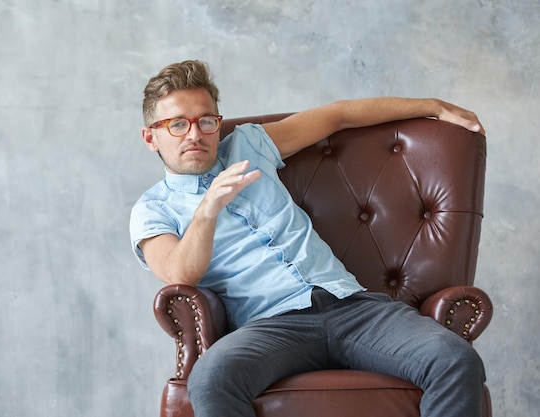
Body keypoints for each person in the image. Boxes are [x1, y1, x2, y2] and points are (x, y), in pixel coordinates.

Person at [129, 60, 486, 417]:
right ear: (151, 137)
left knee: (455, 360)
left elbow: (338, 116)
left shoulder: (250, 145)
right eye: (177, 124)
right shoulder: (153, 209)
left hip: (353, 307)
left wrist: (435, 107)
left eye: (206, 121)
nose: (195, 134)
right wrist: (207, 210)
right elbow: (180, 274)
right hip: (270, 327)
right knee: (211, 378)